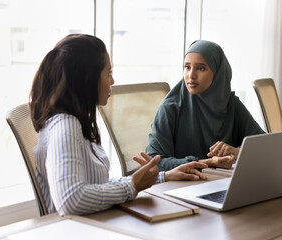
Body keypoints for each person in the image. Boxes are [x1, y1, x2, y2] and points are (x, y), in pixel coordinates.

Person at [29, 34, 208, 216]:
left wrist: (162, 177)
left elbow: (97, 185)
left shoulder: (75, 122)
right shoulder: (65, 125)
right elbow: (70, 200)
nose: (112, 81)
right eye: (108, 73)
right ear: (87, 78)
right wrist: (132, 185)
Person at [145, 40, 265, 171]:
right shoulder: (170, 108)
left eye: (201, 68)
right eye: (187, 67)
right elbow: (154, 161)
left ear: (217, 73)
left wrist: (238, 152)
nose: (191, 75)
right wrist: (208, 163)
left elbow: (266, 145)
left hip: (219, 182)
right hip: (180, 185)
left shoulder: (231, 104)